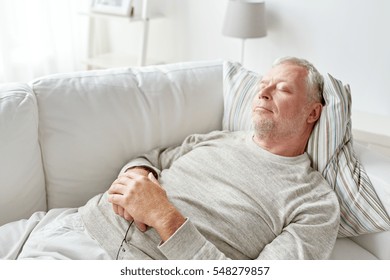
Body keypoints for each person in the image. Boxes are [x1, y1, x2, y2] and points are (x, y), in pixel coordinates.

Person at [0, 56, 340, 260]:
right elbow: (152, 158)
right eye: (263, 83)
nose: (263, 91)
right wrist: (136, 174)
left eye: (282, 88)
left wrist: (165, 218)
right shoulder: (218, 139)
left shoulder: (314, 204)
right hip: (67, 223)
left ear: (313, 112)